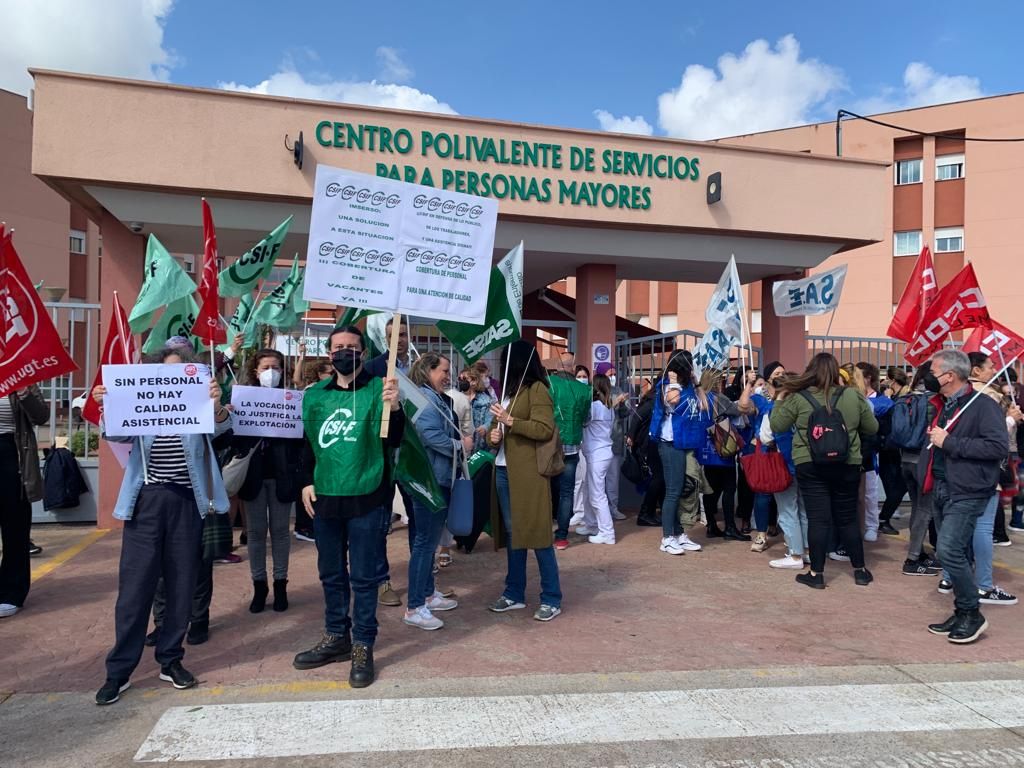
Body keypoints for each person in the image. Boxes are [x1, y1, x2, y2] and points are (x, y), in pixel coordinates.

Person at [92, 347, 232, 705]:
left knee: (181, 584)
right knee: (135, 588)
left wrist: (216, 404)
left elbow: (222, 428)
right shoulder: (142, 403)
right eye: (168, 372)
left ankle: (170, 660)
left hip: (187, 502)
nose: (175, 379)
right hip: (146, 503)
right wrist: (108, 406)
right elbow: (116, 435)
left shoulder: (201, 402)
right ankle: (119, 671)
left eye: (182, 371)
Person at [293, 326, 403, 687]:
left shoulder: (379, 390)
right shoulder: (315, 396)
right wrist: (306, 481)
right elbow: (307, 443)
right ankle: (336, 636)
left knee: (364, 577)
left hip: (367, 496)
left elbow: (394, 439)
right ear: (329, 353)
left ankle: (362, 644)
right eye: (338, 347)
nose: (344, 352)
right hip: (325, 497)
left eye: (351, 347)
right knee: (331, 573)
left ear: (362, 352)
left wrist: (395, 407)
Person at [921, 349, 1009, 643]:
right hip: (943, 486)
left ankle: (972, 612)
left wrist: (950, 442)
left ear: (949, 376)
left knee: (948, 550)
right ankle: (962, 611)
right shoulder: (945, 405)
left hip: (968, 489)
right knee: (948, 551)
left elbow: (997, 447)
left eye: (934, 372)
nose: (929, 377)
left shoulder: (982, 405)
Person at [770, 352, 878, 589]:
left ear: (810, 371)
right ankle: (860, 571)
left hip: (810, 464)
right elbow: (872, 427)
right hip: (847, 463)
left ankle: (816, 574)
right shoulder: (852, 395)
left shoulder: (798, 397)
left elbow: (777, 425)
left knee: (818, 519)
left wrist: (780, 398)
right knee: (847, 518)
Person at [487, 341, 563, 622]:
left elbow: (544, 429)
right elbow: (498, 430)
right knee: (514, 534)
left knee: (538, 534)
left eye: (505, 360)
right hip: (503, 470)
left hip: (529, 474)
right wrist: (493, 436)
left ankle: (551, 597)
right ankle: (514, 593)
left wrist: (511, 422)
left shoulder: (537, 389)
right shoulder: (508, 392)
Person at [403, 353, 471, 631]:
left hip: (437, 477)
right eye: (443, 370)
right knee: (424, 543)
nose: (448, 375)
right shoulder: (425, 400)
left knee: (427, 542)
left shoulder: (433, 398)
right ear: (428, 371)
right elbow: (429, 435)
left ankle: (428, 594)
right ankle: (415, 606)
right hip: (429, 481)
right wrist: (460, 446)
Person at [235, 349, 304, 613]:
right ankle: (259, 585)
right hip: (253, 475)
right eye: (266, 367)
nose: (271, 372)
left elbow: (300, 440)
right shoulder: (243, 399)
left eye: (276, 367)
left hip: (281, 475)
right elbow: (232, 438)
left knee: (280, 532)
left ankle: (280, 584)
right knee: (255, 533)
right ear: (256, 371)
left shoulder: (291, 399)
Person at [648, 352, 706, 556]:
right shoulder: (667, 385)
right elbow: (673, 400)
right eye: (689, 365)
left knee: (678, 489)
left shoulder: (689, 386)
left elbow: (704, 405)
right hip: (669, 443)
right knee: (673, 491)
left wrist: (697, 383)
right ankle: (667, 538)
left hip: (684, 442)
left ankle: (679, 534)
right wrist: (673, 381)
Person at [0, 384, 49, 618]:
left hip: (11, 455)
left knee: (14, 527)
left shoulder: (21, 376)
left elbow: (41, 416)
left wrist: (24, 393)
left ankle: (11, 593)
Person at [757, 370, 809, 569]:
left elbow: (765, 437)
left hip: (783, 464)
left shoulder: (774, 409)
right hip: (806, 463)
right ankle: (807, 550)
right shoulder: (807, 406)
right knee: (804, 510)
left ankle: (795, 555)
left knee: (787, 510)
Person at [896, 363, 943, 576]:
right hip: (925, 460)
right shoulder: (936, 400)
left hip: (906, 458)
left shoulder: (908, 397)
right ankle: (913, 559)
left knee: (917, 507)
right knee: (926, 510)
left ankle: (918, 553)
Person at [697, 370, 749, 544]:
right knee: (729, 488)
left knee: (711, 489)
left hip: (705, 449)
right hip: (723, 447)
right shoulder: (719, 398)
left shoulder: (699, 399)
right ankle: (730, 527)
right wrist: (747, 389)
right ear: (716, 381)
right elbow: (739, 410)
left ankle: (711, 525)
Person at [547, 367, 592, 549]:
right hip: (572, 449)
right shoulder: (583, 391)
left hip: (550, 449)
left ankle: (543, 532)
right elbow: (586, 421)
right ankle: (562, 537)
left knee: (546, 491)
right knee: (567, 493)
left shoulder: (550, 386)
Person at [582, 373, 617, 545]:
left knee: (597, 495)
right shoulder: (609, 407)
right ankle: (592, 525)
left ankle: (607, 533)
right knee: (589, 490)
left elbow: (583, 422)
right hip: (602, 452)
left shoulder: (593, 407)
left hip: (597, 454)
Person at [594, 362, 628, 521]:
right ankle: (597, 511)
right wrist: (615, 403)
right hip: (598, 443)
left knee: (613, 479)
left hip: (615, 440)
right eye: (610, 374)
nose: (613, 377)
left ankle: (613, 508)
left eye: (614, 374)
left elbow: (625, 413)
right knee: (597, 479)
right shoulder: (594, 394)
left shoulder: (618, 390)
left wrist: (623, 404)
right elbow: (600, 412)